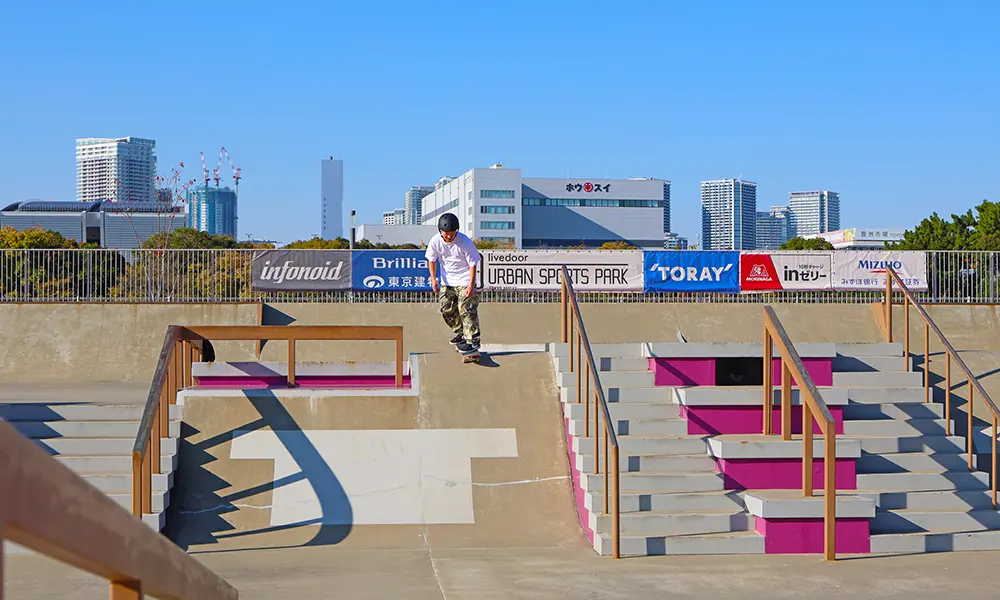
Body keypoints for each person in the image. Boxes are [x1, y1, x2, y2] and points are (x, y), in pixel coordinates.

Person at [425, 213, 482, 354]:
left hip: (465, 280)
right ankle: (461, 333)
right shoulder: (435, 241)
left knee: (466, 309)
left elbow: (473, 264)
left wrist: (471, 285)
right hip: (447, 281)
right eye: (446, 234)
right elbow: (431, 260)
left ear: (456, 231)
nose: (449, 236)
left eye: (452, 233)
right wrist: (433, 279)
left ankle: (473, 341)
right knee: (446, 309)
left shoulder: (465, 242)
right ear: (440, 231)